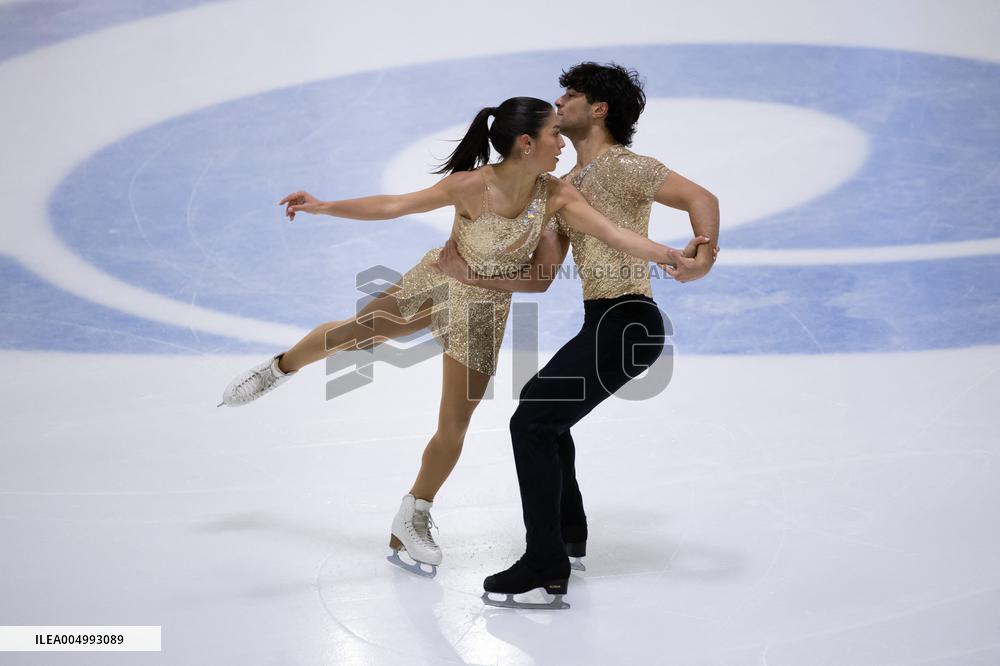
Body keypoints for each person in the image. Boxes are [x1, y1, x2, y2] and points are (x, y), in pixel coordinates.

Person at [217, 96, 711, 577]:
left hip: (483, 308)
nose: (561, 142)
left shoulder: (556, 194)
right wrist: (323, 206)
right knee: (361, 335)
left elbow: (613, 236)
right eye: (553, 134)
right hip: (437, 280)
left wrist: (671, 257)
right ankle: (281, 367)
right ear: (525, 142)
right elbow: (393, 204)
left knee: (454, 423)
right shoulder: (471, 185)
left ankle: (412, 514)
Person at [436, 64, 720, 608]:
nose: (558, 100)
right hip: (603, 321)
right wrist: (468, 275)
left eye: (571, 94)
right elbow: (542, 279)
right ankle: (569, 536)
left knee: (533, 420)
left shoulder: (627, 167)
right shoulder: (562, 190)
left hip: (630, 320)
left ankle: (545, 562)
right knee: (541, 413)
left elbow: (701, 198)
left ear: (599, 110)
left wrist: (703, 255)